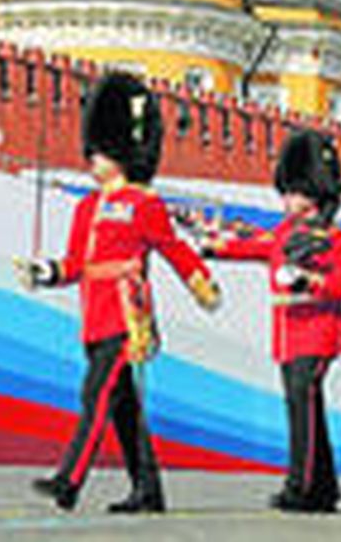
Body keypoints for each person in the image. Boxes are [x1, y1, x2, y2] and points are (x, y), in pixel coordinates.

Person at [16, 72, 220, 513]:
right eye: (92, 151)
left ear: (123, 152)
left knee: (96, 396)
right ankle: (148, 491)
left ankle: (69, 481)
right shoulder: (87, 206)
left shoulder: (144, 204)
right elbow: (76, 264)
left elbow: (173, 249)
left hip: (127, 318)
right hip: (94, 317)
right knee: (123, 410)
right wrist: (46, 271)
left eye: (101, 151)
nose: (93, 159)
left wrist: (199, 281)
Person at [202, 130, 341, 512]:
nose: (286, 200)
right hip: (289, 333)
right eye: (285, 192)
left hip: (318, 334)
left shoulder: (333, 236)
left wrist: (307, 281)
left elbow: (339, 284)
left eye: (293, 192)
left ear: (314, 193)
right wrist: (213, 247)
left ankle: (299, 486)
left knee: (301, 407)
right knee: (308, 410)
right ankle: (324, 488)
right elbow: (257, 247)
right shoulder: (286, 231)